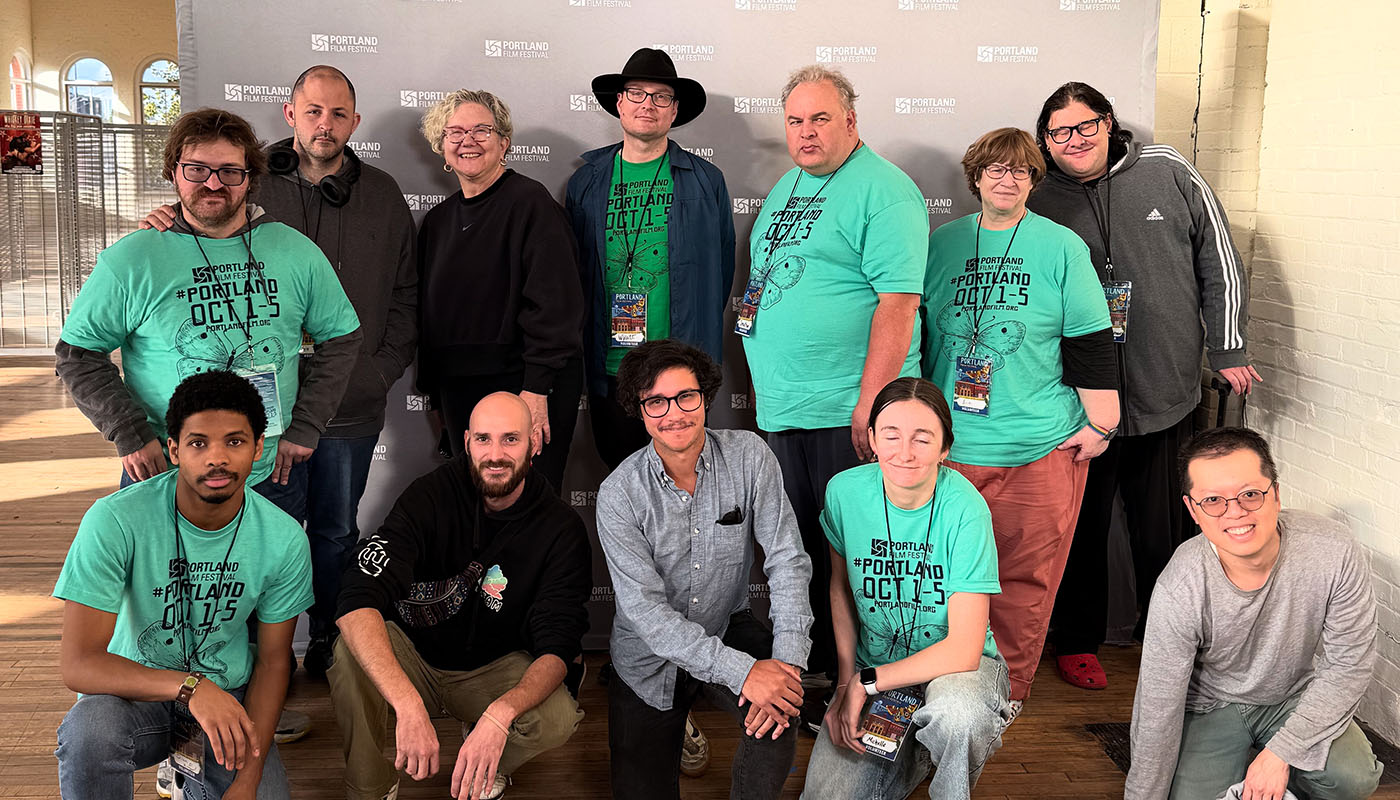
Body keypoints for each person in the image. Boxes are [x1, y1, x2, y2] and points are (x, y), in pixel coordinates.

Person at [140, 65, 417, 678]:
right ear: (290, 114)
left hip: (349, 405)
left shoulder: (384, 193)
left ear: (355, 122)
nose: (326, 124)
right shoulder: (244, 179)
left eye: (339, 113)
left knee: (337, 533)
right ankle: (262, 660)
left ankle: (330, 646)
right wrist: (168, 219)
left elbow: (405, 292)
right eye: (313, 111)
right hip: (260, 419)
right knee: (262, 537)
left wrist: (378, 369)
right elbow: (202, 219)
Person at [1029, 82, 1263, 690]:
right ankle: (1076, 641)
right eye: (1059, 133)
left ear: (1108, 123)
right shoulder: (1038, 197)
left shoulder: (1168, 170)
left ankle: (1175, 638)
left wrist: (1229, 346)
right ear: (1045, 141)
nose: (1073, 141)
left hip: (1166, 392)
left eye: (1084, 127)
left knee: (1163, 532)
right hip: (1080, 403)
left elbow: (1220, 259)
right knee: (1079, 531)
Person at [55, 107, 362, 508]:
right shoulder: (133, 259)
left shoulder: (297, 252)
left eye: (230, 171)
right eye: (197, 169)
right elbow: (77, 354)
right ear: (173, 172)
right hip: (164, 472)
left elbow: (342, 337)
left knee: (270, 571)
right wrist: (129, 432)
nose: (213, 183)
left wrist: (305, 426)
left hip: (267, 475)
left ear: (250, 179)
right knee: (157, 572)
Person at [741, 65, 928, 701]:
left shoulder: (886, 192)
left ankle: (873, 687)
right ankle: (817, 674)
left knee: (854, 557)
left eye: (820, 118)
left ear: (851, 121)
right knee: (798, 552)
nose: (805, 131)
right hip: (786, 406)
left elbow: (898, 305)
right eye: (795, 120)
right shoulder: (788, 186)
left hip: (844, 408)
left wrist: (874, 405)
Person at [920, 128, 1118, 719]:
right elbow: (914, 329)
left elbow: (1090, 335)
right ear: (975, 176)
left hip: (1037, 444)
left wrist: (1102, 422)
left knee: (1025, 583)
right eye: (996, 169)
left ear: (1034, 180)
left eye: (1021, 171)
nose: (1007, 179)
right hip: (950, 445)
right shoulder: (941, 243)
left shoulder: (1060, 246)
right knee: (938, 577)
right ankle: (939, 682)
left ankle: (1005, 694)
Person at [53, 371, 313, 799]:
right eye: (198, 443)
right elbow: (78, 664)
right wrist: (190, 687)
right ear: (173, 449)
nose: (217, 458)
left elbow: (273, 663)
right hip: (133, 692)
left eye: (234, 441)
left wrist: (246, 782)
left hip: (227, 696)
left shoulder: (283, 538)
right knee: (89, 731)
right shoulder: (115, 520)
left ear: (258, 448)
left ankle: (198, 778)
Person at [330, 392, 589, 800]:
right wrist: (408, 705)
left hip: (493, 669)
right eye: (484, 439)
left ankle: (484, 755)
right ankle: (370, 788)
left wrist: (501, 715)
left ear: (534, 443)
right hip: (416, 658)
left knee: (556, 719)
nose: (495, 454)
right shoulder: (427, 496)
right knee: (350, 649)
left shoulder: (561, 529)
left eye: (511, 439)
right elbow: (356, 598)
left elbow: (558, 646)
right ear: (466, 441)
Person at [595, 339, 814, 800]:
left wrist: (787, 668)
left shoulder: (749, 456)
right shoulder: (618, 494)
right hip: (648, 660)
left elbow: (787, 559)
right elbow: (646, 615)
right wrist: (745, 673)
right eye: (656, 401)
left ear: (707, 398)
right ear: (640, 409)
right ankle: (680, 715)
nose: (673, 413)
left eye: (685, 397)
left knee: (782, 711)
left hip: (723, 625)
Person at [1127, 427, 1381, 800]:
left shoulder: (1333, 551)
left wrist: (1280, 755)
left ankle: (1280, 779)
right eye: (1213, 500)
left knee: (1352, 778)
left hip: (1291, 695)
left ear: (1276, 495)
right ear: (1193, 511)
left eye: (1250, 494)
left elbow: (1349, 664)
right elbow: (1156, 707)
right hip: (1210, 704)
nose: (1235, 512)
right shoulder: (1179, 587)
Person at [802, 377, 1009, 800]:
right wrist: (845, 684)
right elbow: (840, 590)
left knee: (958, 715)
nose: (905, 452)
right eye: (891, 435)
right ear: (872, 438)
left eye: (922, 438)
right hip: (876, 670)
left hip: (956, 671)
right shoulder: (843, 492)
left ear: (944, 447)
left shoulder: (966, 508)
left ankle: (945, 776)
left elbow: (964, 649)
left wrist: (864, 683)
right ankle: (916, 747)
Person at [565, 47, 736, 470]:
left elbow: (723, 269)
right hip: (612, 367)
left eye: (661, 97)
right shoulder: (586, 181)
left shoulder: (706, 180)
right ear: (619, 103)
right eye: (637, 93)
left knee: (686, 481)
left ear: (674, 110)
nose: (648, 105)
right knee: (622, 483)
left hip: (682, 369)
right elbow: (575, 274)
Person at [416, 89, 584, 492]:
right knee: (473, 506)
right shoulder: (438, 222)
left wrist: (537, 389)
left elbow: (557, 306)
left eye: (481, 130)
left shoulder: (531, 204)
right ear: (441, 145)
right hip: (459, 392)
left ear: (504, 142)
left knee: (529, 506)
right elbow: (431, 317)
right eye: (454, 132)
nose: (467, 141)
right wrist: (436, 398)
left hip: (526, 386)